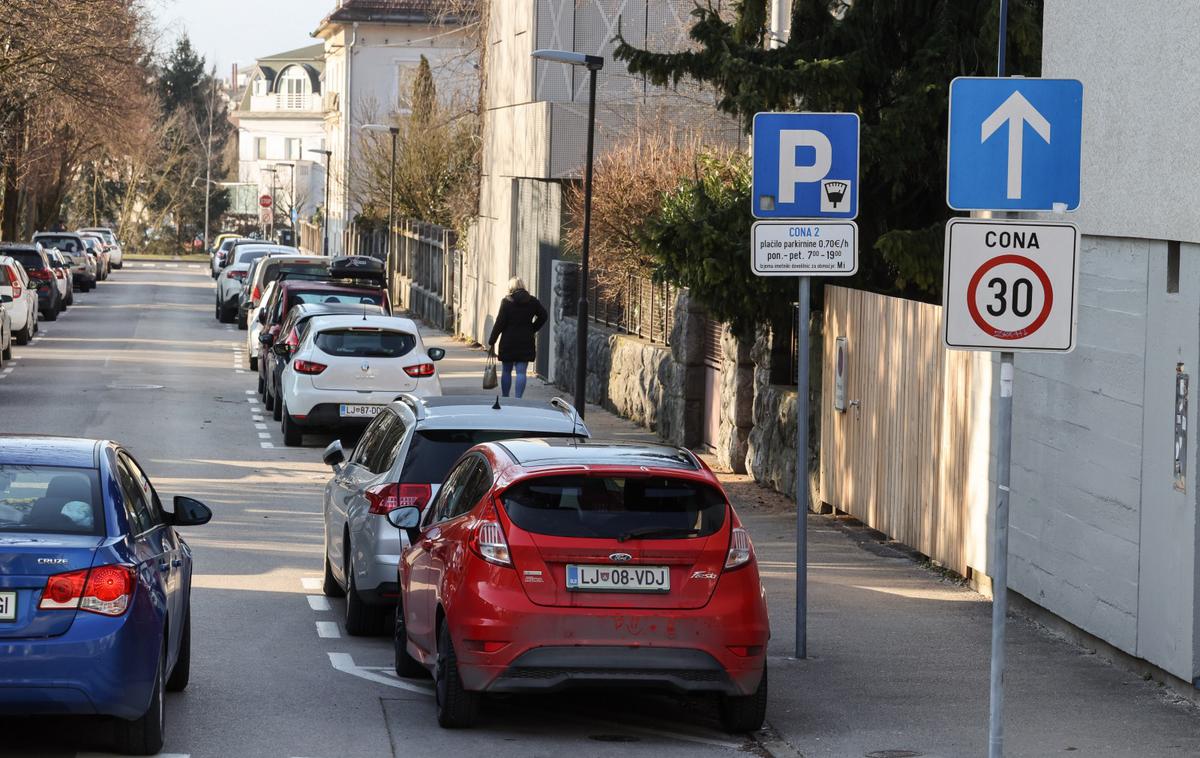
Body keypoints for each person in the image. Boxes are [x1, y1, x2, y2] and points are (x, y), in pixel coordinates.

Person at [487, 277, 548, 398]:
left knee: (506, 371)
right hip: (526, 341)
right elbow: (544, 316)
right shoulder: (532, 301)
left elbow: (500, 323)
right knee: (521, 372)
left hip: (508, 341)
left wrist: (492, 340)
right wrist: (532, 328)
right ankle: (518, 399)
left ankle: (505, 397)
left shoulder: (507, 302)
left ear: (511, 287)